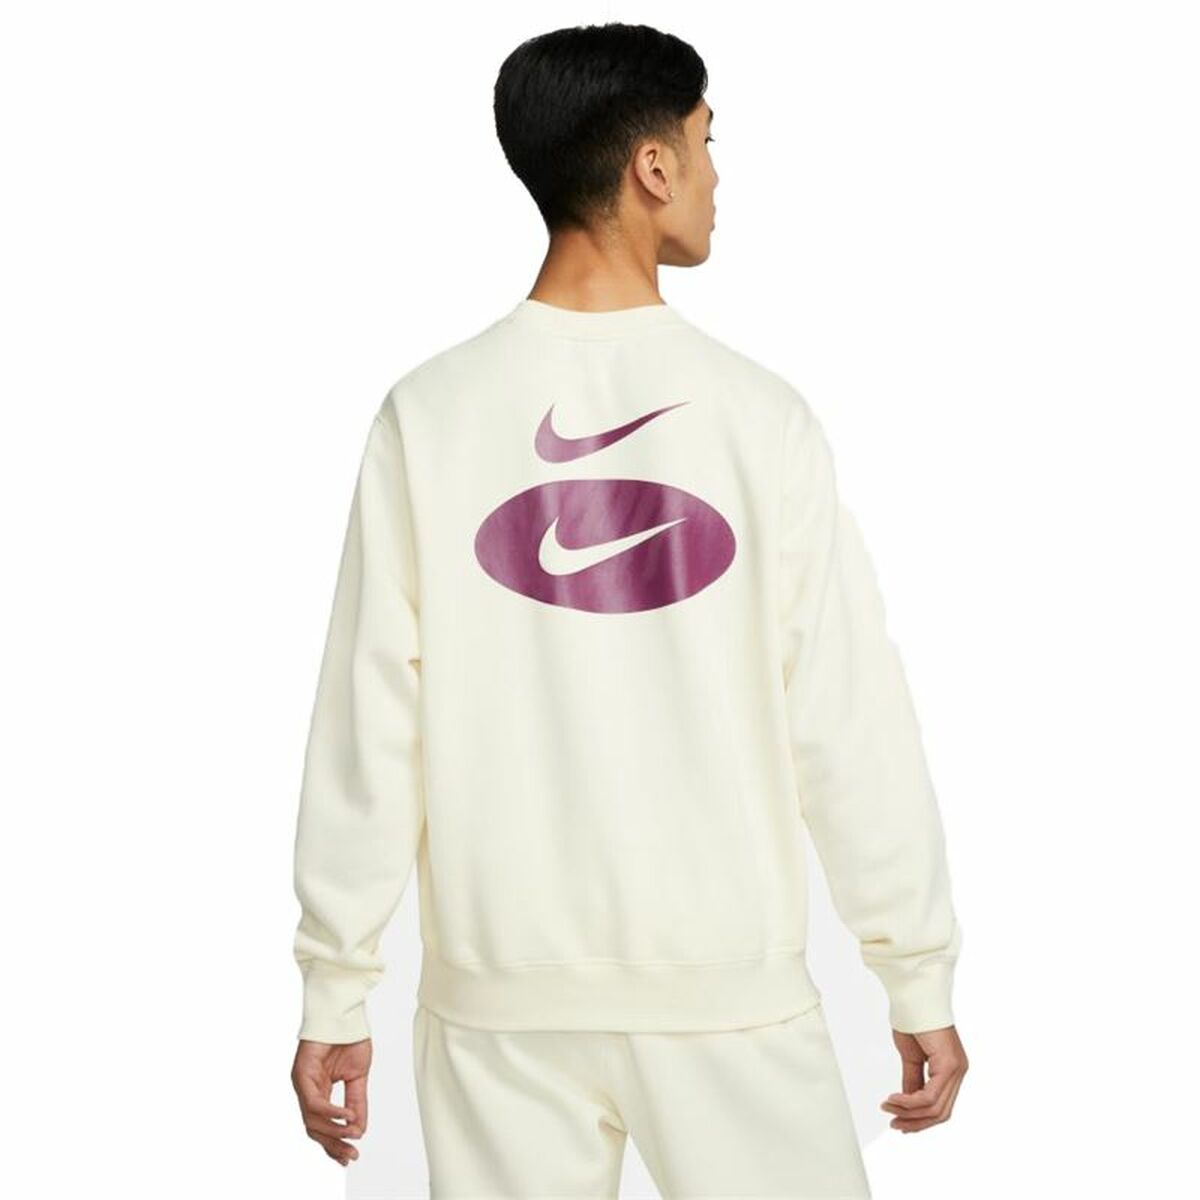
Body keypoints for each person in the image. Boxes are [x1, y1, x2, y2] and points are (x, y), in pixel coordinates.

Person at [289, 20, 968, 1198]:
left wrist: (334, 991)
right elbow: (847, 718)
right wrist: (915, 973)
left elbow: (368, 727)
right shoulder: (757, 416)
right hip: (724, 996)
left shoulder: (430, 415)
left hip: (499, 1006)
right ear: (653, 166)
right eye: (707, 142)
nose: (717, 177)